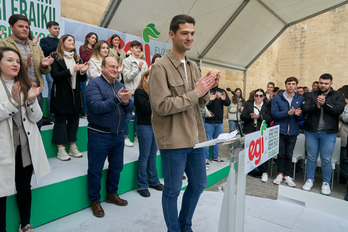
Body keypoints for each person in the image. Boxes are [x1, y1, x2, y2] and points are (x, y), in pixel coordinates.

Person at [149, 14, 220, 232]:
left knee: (199, 184)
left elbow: (199, 101)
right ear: (172, 35)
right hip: (173, 140)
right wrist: (195, 92)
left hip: (196, 138)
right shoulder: (160, 68)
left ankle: (184, 226)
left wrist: (206, 90)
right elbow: (161, 106)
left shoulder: (193, 65)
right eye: (184, 33)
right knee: (172, 191)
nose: (189, 38)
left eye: (192, 33)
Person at [0, 47, 50, 232]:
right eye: (9, 60)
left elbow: (37, 118)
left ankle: (25, 223)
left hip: (24, 147)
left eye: (17, 61)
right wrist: (13, 102)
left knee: (24, 187)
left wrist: (30, 101)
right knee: (1, 191)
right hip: (4, 149)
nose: (15, 64)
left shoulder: (26, 84)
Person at [86, 57, 133, 217]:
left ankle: (112, 194)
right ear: (102, 68)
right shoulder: (94, 84)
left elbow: (129, 108)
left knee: (117, 167)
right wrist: (117, 99)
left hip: (118, 135)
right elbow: (96, 107)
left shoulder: (120, 85)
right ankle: (95, 200)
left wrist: (126, 103)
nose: (114, 69)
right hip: (99, 135)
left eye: (116, 67)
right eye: (111, 66)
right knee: (95, 170)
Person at [0, 14, 54, 129]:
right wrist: (24, 65)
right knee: (15, 129)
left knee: (36, 127)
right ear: (11, 27)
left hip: (35, 93)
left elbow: (44, 71)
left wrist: (44, 66)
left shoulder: (35, 46)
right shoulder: (3, 44)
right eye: (21, 26)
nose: (25, 29)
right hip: (14, 92)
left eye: (27, 27)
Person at [301, 73, 345, 195]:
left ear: (331, 83)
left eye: (326, 83)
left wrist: (325, 104)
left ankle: (326, 183)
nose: (323, 85)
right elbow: (305, 109)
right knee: (311, 157)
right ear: (318, 82)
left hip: (328, 132)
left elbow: (338, 110)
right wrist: (317, 105)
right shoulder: (310, 95)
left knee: (326, 159)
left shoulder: (337, 96)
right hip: (311, 131)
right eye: (321, 83)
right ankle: (310, 179)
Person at [50, 34, 89, 161]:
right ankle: (61, 149)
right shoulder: (55, 56)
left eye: (73, 40)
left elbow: (82, 79)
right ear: (62, 42)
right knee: (60, 121)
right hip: (61, 93)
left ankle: (72, 146)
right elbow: (55, 75)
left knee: (74, 121)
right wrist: (73, 69)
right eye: (69, 40)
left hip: (75, 93)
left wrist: (82, 71)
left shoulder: (77, 58)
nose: (73, 42)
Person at [134, 70, 163, 197]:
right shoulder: (139, 92)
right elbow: (146, 107)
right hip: (144, 126)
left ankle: (153, 181)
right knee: (144, 156)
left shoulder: (154, 93)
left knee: (152, 155)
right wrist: (156, 98)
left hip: (155, 126)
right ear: (145, 78)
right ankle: (141, 185)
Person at [271, 77, 304, 186]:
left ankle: (286, 175)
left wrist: (299, 115)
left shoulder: (300, 98)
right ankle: (279, 174)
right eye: (289, 83)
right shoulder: (277, 98)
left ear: (296, 86)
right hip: (280, 130)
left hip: (293, 131)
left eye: (293, 84)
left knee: (289, 154)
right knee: (281, 154)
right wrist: (287, 113)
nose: (291, 86)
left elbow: (302, 117)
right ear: (285, 85)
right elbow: (274, 114)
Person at [241, 89, 273, 181]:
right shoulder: (248, 103)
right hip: (250, 130)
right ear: (254, 96)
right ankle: (249, 169)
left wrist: (259, 117)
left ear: (264, 96)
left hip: (262, 130)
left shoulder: (267, 105)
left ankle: (264, 172)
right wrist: (250, 117)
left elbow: (270, 118)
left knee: (263, 151)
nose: (258, 97)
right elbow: (242, 116)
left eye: (261, 95)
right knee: (250, 150)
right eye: (256, 95)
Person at [122, 40, 148, 147]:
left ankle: (138, 136)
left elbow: (146, 78)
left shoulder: (144, 62)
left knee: (140, 115)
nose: (138, 50)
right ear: (131, 48)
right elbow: (127, 78)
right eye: (136, 47)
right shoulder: (126, 61)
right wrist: (138, 69)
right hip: (130, 92)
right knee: (128, 115)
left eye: (140, 48)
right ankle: (125, 137)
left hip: (141, 93)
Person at [204, 85, 230, 165]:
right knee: (207, 141)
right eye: (214, 80)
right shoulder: (206, 91)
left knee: (218, 140)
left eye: (217, 80)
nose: (216, 81)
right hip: (209, 121)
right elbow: (204, 104)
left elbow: (228, 103)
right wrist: (214, 98)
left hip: (219, 121)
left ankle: (215, 157)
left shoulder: (222, 91)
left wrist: (224, 99)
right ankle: (205, 159)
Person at [39, 21, 60, 120]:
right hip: (50, 68)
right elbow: (45, 51)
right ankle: (52, 114)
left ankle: (60, 112)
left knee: (61, 91)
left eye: (59, 29)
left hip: (61, 68)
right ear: (49, 29)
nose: (57, 30)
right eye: (55, 28)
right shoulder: (44, 40)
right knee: (52, 89)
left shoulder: (60, 40)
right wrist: (58, 46)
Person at [79, 32, 98, 118]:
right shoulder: (83, 48)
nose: (94, 40)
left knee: (94, 92)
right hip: (85, 71)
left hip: (95, 71)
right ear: (88, 38)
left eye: (95, 39)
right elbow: (85, 59)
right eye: (93, 38)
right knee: (85, 92)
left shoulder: (96, 50)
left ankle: (93, 110)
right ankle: (85, 111)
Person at [338, 87, 348, 185]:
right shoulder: (343, 105)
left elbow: (345, 118)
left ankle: (344, 176)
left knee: (345, 157)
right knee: (342, 157)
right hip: (341, 134)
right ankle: (343, 175)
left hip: (346, 133)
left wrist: (340, 113)